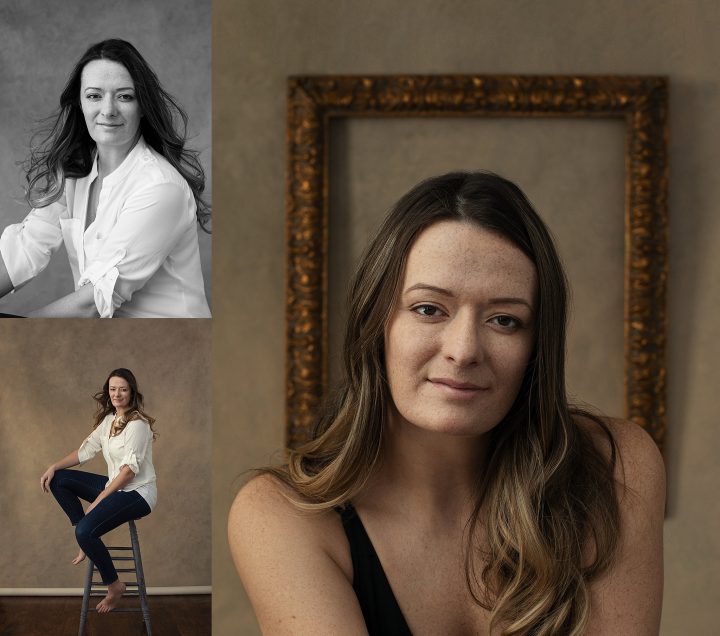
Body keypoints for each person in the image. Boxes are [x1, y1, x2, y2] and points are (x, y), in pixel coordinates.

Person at [228, 172, 666, 635]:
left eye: (504, 320)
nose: (464, 350)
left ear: (537, 346)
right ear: (377, 322)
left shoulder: (617, 467)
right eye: (429, 309)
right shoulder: (280, 515)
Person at [0, 39, 210, 318]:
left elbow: (93, 301)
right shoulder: (75, 171)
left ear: (143, 105)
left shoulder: (160, 187)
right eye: (94, 96)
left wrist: (12, 338)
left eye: (124, 96)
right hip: (106, 344)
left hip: (169, 349)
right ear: (80, 103)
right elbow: (26, 249)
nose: (108, 110)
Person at [41, 368, 157, 613]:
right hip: (114, 485)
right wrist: (53, 466)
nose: (117, 394)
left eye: (123, 389)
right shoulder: (108, 422)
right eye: (113, 389)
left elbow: (129, 473)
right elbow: (84, 451)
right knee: (59, 479)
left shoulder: (138, 425)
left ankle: (114, 586)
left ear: (132, 392)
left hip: (138, 493)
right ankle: (84, 534)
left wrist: (100, 500)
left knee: (85, 531)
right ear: (108, 391)